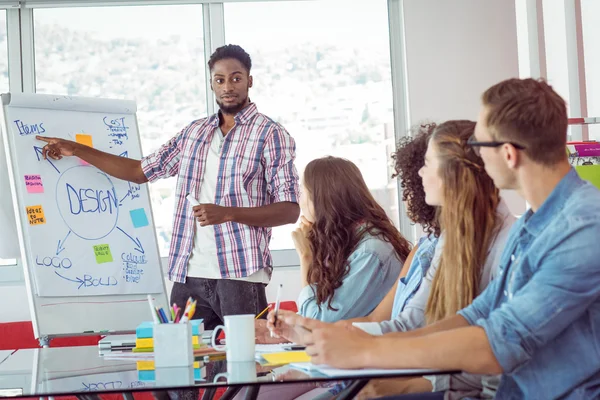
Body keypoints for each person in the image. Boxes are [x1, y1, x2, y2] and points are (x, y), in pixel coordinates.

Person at [272, 78, 600, 399]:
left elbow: (501, 342)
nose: (477, 159)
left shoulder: (583, 228)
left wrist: (368, 351)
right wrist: (334, 337)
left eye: (480, 145)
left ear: (509, 154)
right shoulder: (533, 224)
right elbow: (474, 316)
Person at [36, 44, 300, 330]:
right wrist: (77, 149)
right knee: (187, 366)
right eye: (219, 79)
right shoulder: (194, 133)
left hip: (240, 274)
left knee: (248, 364)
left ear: (250, 80)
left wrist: (228, 213)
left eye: (236, 78)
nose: (228, 86)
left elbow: (289, 210)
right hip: (189, 275)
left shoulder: (270, 134)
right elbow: (139, 171)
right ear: (211, 83)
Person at [312, 120, 516, 400]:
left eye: (428, 163)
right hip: (449, 380)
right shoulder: (449, 240)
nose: (420, 172)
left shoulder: (508, 243)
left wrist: (413, 383)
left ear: (452, 173)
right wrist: (319, 335)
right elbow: (411, 323)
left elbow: (495, 355)